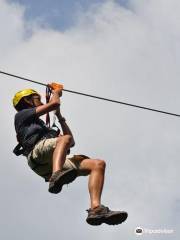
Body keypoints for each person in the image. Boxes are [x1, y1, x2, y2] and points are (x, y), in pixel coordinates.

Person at [12, 83, 128, 226]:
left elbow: (71, 142)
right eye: (37, 98)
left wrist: (60, 117)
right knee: (63, 140)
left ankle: (96, 209)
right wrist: (56, 92)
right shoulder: (22, 115)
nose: (41, 101)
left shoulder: (41, 126)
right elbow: (54, 103)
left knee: (98, 164)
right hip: (37, 154)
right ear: (27, 100)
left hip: (48, 161)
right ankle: (56, 176)